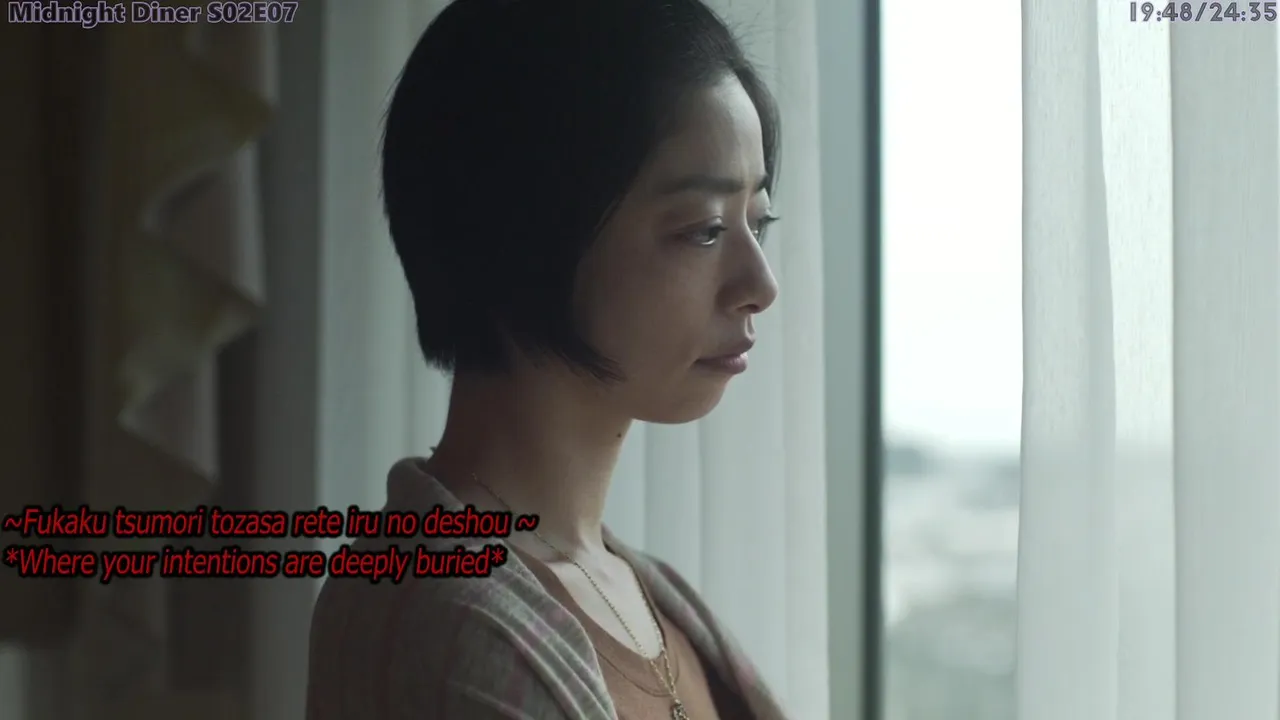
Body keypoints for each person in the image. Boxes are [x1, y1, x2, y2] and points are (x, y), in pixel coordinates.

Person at [305, 0, 789, 717]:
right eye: (705, 228)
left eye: (759, 222)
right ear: (527, 234)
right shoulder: (447, 626)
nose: (761, 286)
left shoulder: (646, 593)